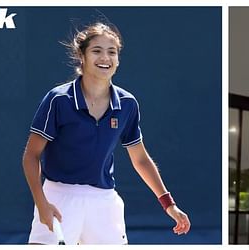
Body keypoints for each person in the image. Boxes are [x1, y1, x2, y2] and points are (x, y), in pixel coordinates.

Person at [22, 22, 191, 244]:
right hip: (58, 197)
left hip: (104, 201)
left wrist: (169, 204)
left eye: (112, 52)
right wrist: (42, 203)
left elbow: (140, 159)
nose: (105, 58)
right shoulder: (58, 99)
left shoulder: (128, 104)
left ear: (118, 60)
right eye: (97, 51)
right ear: (82, 56)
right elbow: (30, 156)